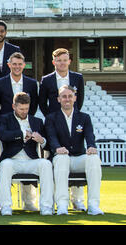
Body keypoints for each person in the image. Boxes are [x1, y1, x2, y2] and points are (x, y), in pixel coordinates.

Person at [45, 85, 103, 216]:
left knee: (94, 159)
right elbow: (51, 136)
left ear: (75, 98)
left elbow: (89, 135)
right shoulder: (51, 118)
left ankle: (93, 205)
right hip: (61, 157)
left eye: (70, 96)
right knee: (61, 159)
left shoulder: (84, 117)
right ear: (58, 99)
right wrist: (57, 148)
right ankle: (62, 205)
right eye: (64, 96)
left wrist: (91, 146)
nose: (67, 99)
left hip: (78, 157)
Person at [39, 48, 86, 210]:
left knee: (77, 157)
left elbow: (79, 102)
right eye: (59, 60)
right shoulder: (47, 80)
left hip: (73, 124)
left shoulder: (78, 78)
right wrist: (53, 119)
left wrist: (70, 116)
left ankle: (77, 199)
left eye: (65, 60)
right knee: (53, 162)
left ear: (69, 61)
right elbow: (42, 103)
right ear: (54, 62)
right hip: (53, 125)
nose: (62, 63)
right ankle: (53, 199)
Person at [0, 92, 54, 216]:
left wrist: (41, 140)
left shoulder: (37, 121)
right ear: (14, 106)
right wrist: (22, 133)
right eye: (21, 108)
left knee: (45, 164)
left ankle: (46, 206)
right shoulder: (5, 119)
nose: (24, 111)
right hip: (12, 160)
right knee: (5, 166)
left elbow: (48, 145)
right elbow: (2, 135)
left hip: (31, 160)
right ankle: (6, 206)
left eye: (26, 108)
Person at [0, 52, 38, 121]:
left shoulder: (32, 83)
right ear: (9, 65)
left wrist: (26, 119)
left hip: (25, 122)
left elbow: (34, 105)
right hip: (6, 123)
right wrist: (1, 120)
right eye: (14, 64)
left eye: (20, 64)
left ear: (24, 65)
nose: (17, 67)